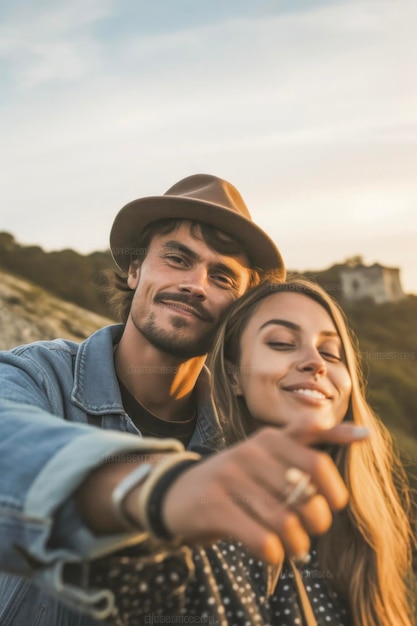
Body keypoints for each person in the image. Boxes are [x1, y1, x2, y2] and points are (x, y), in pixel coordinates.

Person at [0, 174, 370, 626]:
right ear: (135, 270)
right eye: (177, 258)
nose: (196, 284)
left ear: (239, 309)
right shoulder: (40, 376)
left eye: (222, 277)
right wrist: (155, 492)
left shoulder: (245, 438)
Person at [203, 278, 414, 626]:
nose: (316, 363)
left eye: (331, 352)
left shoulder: (366, 527)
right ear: (234, 374)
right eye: (282, 343)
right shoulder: (212, 516)